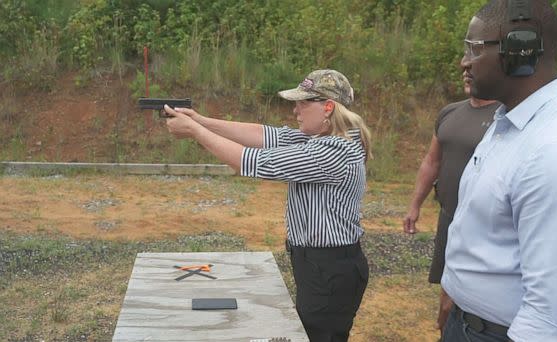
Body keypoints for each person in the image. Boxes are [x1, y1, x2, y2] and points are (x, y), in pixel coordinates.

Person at [440, 1, 557, 341]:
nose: (464, 61)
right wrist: (457, 291)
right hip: (472, 324)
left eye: (473, 48)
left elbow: (551, 313)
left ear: (520, 50)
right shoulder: (512, 122)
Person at [164, 69, 371, 342]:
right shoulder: (319, 137)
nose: (296, 110)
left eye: (303, 103)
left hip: (330, 269)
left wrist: (195, 131)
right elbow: (263, 135)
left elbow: (251, 161)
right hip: (323, 267)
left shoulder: (333, 150)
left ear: (328, 108)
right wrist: (203, 121)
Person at [403, 79, 499, 333]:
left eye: (475, 69)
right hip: (449, 215)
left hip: (482, 224)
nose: (468, 73)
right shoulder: (450, 112)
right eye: (466, 70)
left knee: (464, 294)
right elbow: (432, 161)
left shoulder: (503, 115)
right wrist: (415, 205)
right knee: (447, 288)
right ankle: (447, 332)